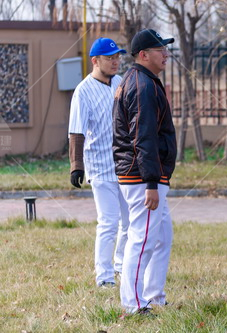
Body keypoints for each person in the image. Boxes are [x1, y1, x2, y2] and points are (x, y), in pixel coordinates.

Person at [112, 28, 176, 315]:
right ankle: (134, 303)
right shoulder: (142, 85)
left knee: (161, 236)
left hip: (148, 173)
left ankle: (153, 295)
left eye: (165, 48)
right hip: (142, 176)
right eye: (160, 49)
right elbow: (143, 135)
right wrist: (151, 181)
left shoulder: (144, 81)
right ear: (143, 54)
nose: (166, 53)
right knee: (143, 237)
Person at [68, 37, 130, 288]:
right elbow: (76, 131)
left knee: (129, 221)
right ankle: (104, 277)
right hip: (101, 166)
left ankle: (122, 265)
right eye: (110, 58)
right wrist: (76, 165)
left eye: (118, 57)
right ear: (95, 61)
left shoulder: (120, 82)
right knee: (108, 222)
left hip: (126, 164)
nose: (116, 62)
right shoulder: (83, 90)